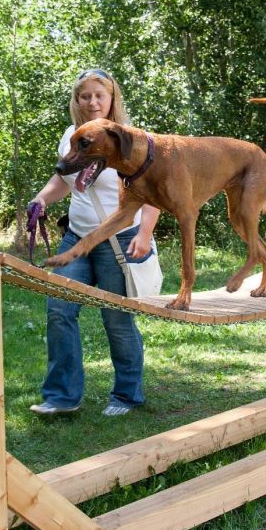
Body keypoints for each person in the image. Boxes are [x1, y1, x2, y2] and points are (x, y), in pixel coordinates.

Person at [27, 68, 161, 416]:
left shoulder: (130, 139)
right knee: (60, 311)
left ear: (112, 98)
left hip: (120, 240)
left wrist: (144, 234)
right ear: (77, 100)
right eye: (85, 96)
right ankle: (61, 397)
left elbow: (154, 192)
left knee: (116, 319)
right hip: (77, 238)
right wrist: (41, 199)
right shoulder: (72, 135)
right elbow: (63, 181)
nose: (92, 102)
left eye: (99, 95)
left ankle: (126, 396)